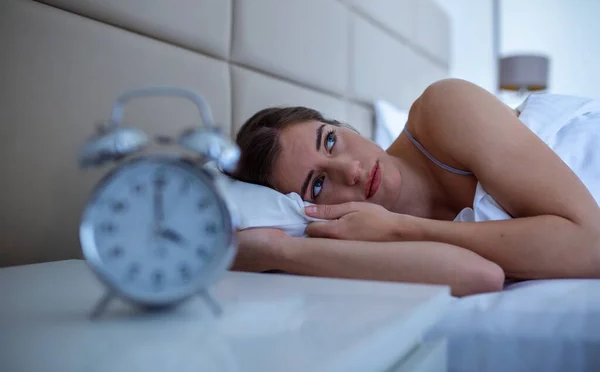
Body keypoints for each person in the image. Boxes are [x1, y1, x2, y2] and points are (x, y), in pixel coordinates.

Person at [229, 79, 600, 296]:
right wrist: (281, 250)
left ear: (341, 125)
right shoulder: (355, 237)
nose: (352, 171)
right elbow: (481, 276)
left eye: (329, 141)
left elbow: (590, 246)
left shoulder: (445, 109)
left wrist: (397, 227)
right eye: (319, 185)